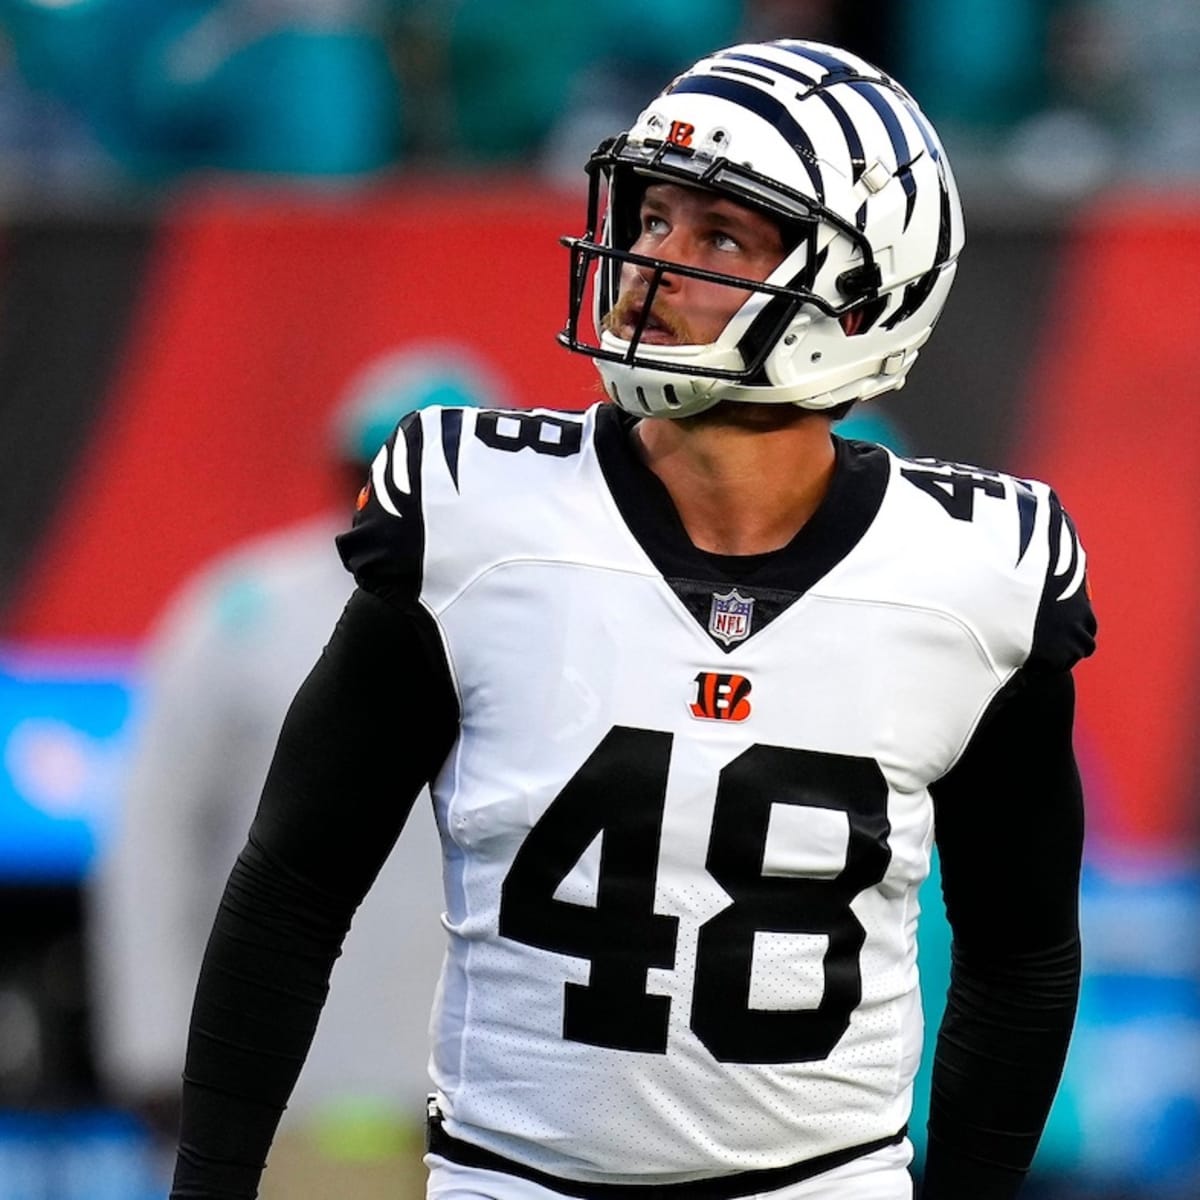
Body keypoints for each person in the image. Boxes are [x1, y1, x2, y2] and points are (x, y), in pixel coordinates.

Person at [169, 39, 1096, 1200]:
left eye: (718, 235)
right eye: (652, 216)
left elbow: (1021, 958)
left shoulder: (970, 574)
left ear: (862, 292)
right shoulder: (479, 520)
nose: (650, 260)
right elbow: (295, 887)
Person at [88, 343, 504, 1196]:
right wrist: (156, 1045)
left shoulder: (543, 624)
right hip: (296, 1102)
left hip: (494, 1112)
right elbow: (154, 831)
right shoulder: (244, 614)